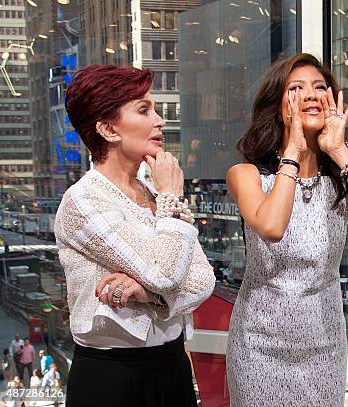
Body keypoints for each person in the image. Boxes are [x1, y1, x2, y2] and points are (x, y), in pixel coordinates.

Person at [226, 53, 348, 406]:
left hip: (324, 346)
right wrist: (292, 152)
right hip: (260, 346)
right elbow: (272, 227)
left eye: (320, 87)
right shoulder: (248, 175)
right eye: (297, 88)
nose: (312, 94)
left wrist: (338, 149)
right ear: (279, 105)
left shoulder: (340, 179)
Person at [55, 64, 216, 407]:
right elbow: (164, 271)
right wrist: (172, 194)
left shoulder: (156, 197)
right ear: (107, 128)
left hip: (172, 365)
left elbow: (204, 280)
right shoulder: (84, 201)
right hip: (112, 377)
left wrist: (149, 294)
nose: (159, 121)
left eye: (155, 109)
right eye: (144, 110)